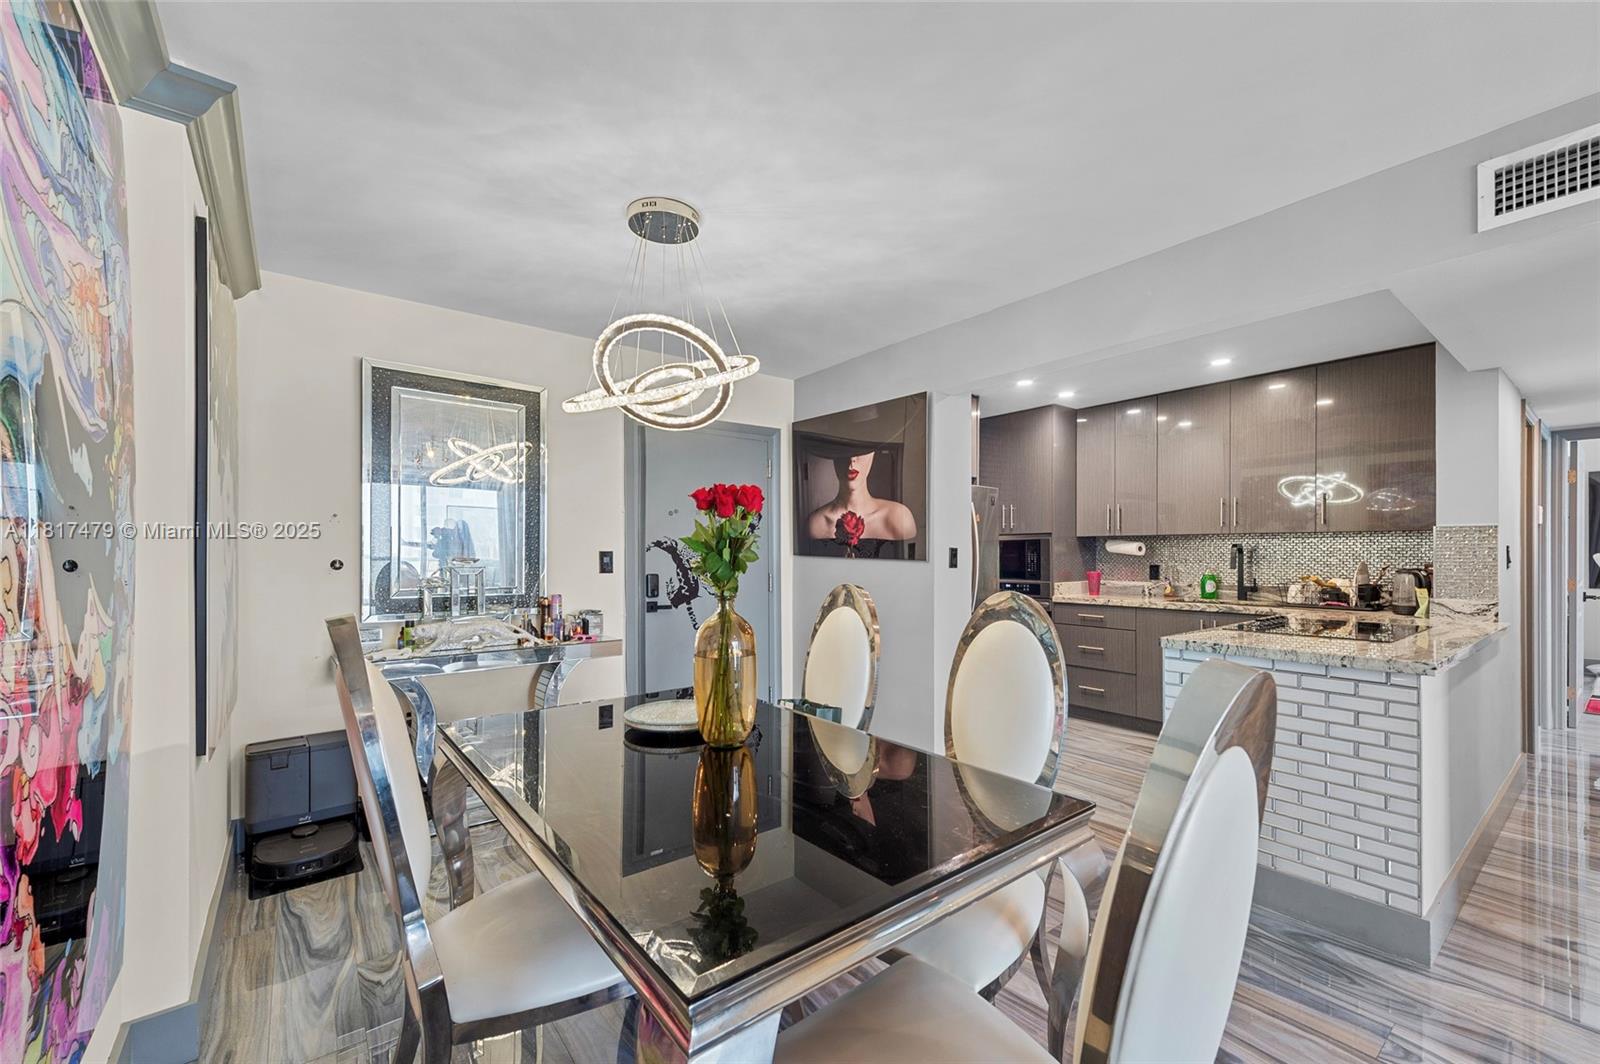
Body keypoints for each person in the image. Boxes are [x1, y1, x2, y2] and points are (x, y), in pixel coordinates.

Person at [805, 450, 917, 547]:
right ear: (834, 457)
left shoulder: (899, 518)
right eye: (844, 449)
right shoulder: (817, 524)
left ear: (872, 454)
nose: (852, 459)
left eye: (861, 451)